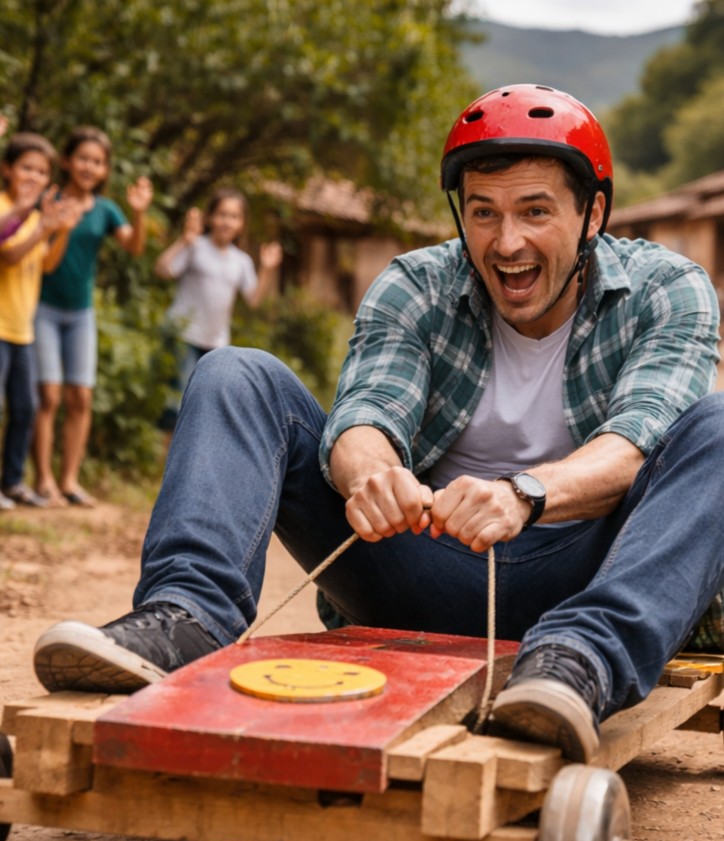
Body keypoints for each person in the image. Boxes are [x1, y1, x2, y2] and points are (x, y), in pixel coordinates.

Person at [33, 84, 724, 764]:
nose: (507, 241)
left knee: (719, 425)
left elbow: (637, 444)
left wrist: (522, 494)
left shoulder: (667, 289)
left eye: (535, 211)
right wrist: (372, 474)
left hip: (584, 572)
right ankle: (185, 618)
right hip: (416, 567)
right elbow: (366, 412)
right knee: (234, 374)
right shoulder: (415, 284)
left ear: (593, 213)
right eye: (483, 212)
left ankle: (582, 662)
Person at [32, 126, 154, 508]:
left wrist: (138, 211)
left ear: (105, 170)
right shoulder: (47, 199)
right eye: (83, 158)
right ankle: (44, 480)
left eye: (97, 162)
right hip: (42, 308)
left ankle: (69, 479)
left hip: (81, 313)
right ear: (67, 161)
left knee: (81, 396)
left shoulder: (106, 209)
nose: (89, 166)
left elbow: (134, 247)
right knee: (49, 396)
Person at [154, 189, 282, 432]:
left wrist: (266, 269)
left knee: (207, 406)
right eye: (222, 214)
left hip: (216, 343)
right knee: (179, 405)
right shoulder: (195, 246)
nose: (227, 221)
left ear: (242, 224)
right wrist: (184, 240)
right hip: (184, 336)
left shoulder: (241, 261)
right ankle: (169, 461)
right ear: (210, 217)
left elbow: (254, 299)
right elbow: (162, 269)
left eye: (234, 216)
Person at [0, 132, 81, 511]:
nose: (33, 175)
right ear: (8, 169)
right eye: (26, 167)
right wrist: (39, 227)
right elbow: (11, 255)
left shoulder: (34, 217)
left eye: (41, 171)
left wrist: (57, 230)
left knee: (26, 407)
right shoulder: (5, 209)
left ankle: (13, 482)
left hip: (23, 330)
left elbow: (46, 264)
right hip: (0, 327)